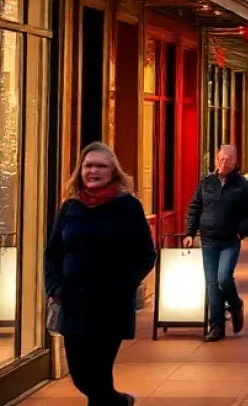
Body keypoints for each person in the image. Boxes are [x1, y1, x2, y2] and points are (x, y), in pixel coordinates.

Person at [44, 142, 156, 406]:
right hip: (73, 303)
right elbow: (53, 253)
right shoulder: (70, 207)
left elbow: (145, 255)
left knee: (98, 375)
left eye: (100, 166)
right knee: (82, 377)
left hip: (110, 306)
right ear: (80, 170)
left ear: (113, 171)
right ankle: (120, 402)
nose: (93, 171)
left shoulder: (127, 206)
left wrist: (121, 287)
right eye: (88, 165)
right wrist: (54, 287)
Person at [185, 144, 248, 342]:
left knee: (223, 278)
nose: (223, 163)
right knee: (211, 284)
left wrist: (240, 231)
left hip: (229, 241)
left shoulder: (242, 185)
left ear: (235, 162)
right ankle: (216, 326)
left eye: (228, 160)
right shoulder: (206, 182)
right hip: (208, 239)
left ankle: (235, 304)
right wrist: (190, 232)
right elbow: (195, 207)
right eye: (220, 159)